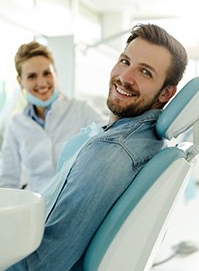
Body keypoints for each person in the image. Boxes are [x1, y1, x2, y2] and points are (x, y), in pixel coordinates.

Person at [6, 23, 188, 270]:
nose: (125, 77)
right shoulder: (132, 139)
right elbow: (8, 178)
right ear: (20, 81)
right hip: (35, 213)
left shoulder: (111, 149)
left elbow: (44, 262)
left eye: (145, 72)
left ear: (166, 93)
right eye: (125, 61)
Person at [0, 41, 105, 193]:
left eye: (46, 73)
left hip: (73, 197)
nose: (41, 82)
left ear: (55, 73)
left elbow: (109, 137)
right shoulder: (16, 124)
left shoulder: (81, 110)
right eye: (31, 76)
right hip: (35, 204)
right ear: (20, 81)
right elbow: (8, 180)